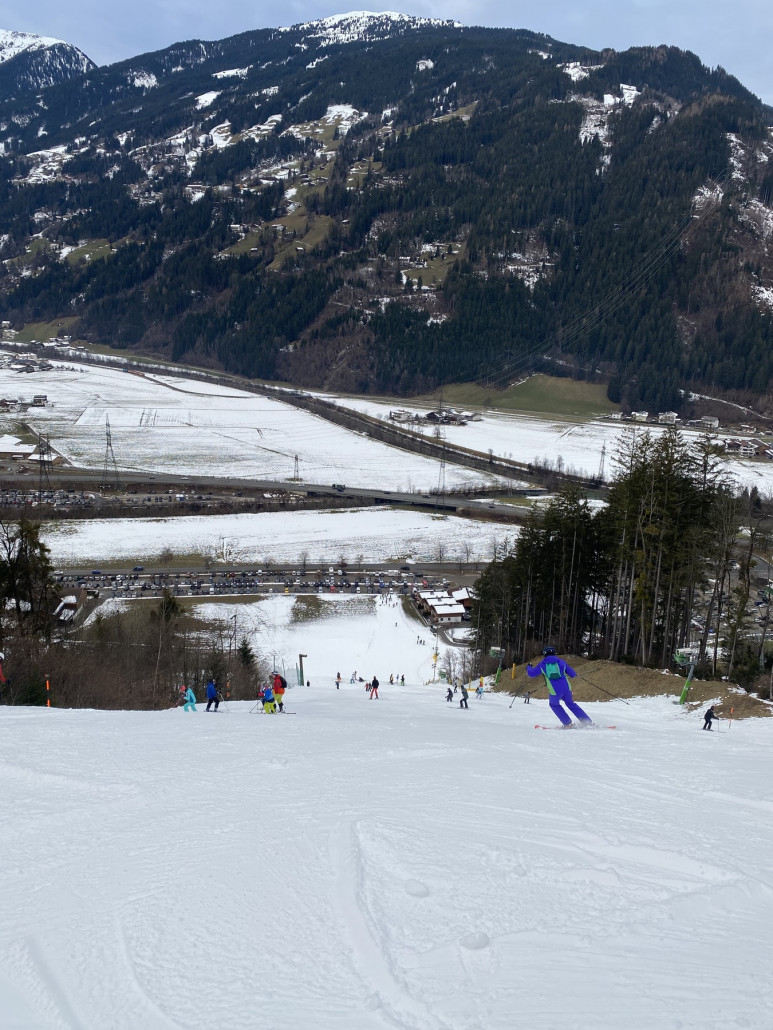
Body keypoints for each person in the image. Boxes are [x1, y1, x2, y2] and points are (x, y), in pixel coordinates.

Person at [527, 648, 591, 727]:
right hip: (566, 688)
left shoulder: (542, 665)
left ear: (545, 654)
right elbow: (572, 674)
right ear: (554, 653)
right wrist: (575, 674)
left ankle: (567, 723)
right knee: (570, 703)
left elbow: (531, 674)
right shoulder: (561, 662)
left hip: (554, 691)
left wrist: (529, 667)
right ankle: (587, 721)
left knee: (554, 704)